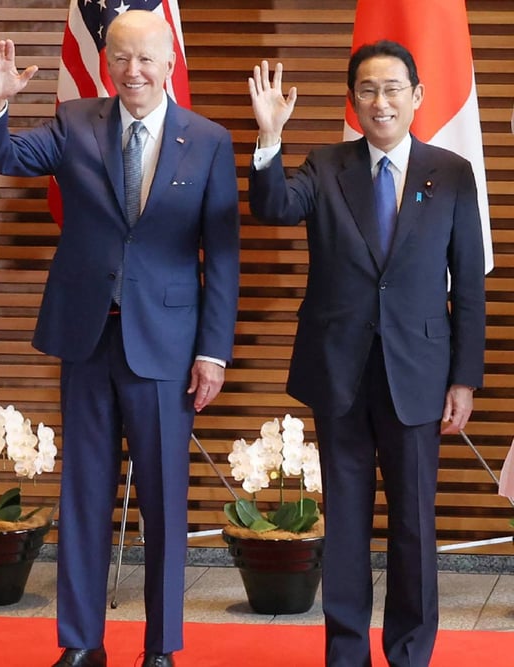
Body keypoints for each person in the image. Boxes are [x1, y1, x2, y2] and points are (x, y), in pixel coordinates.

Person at [0, 10, 239, 667]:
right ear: (106, 61)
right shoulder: (75, 123)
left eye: (146, 58)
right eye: (120, 57)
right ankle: (82, 641)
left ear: (169, 62)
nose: (132, 71)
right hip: (88, 337)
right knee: (83, 495)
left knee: (165, 502)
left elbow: (223, 255)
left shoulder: (206, 140)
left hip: (168, 345)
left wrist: (213, 349)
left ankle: (161, 646)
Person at [248, 41, 485, 666]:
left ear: (417, 96)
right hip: (341, 374)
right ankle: (346, 654)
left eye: (393, 89)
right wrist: (269, 139)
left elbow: (470, 284)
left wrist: (464, 379)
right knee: (347, 526)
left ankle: (410, 653)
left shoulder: (453, 172)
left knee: (413, 526)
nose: (380, 102)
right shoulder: (325, 166)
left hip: (420, 376)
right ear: (353, 100)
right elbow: (273, 206)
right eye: (368, 90)